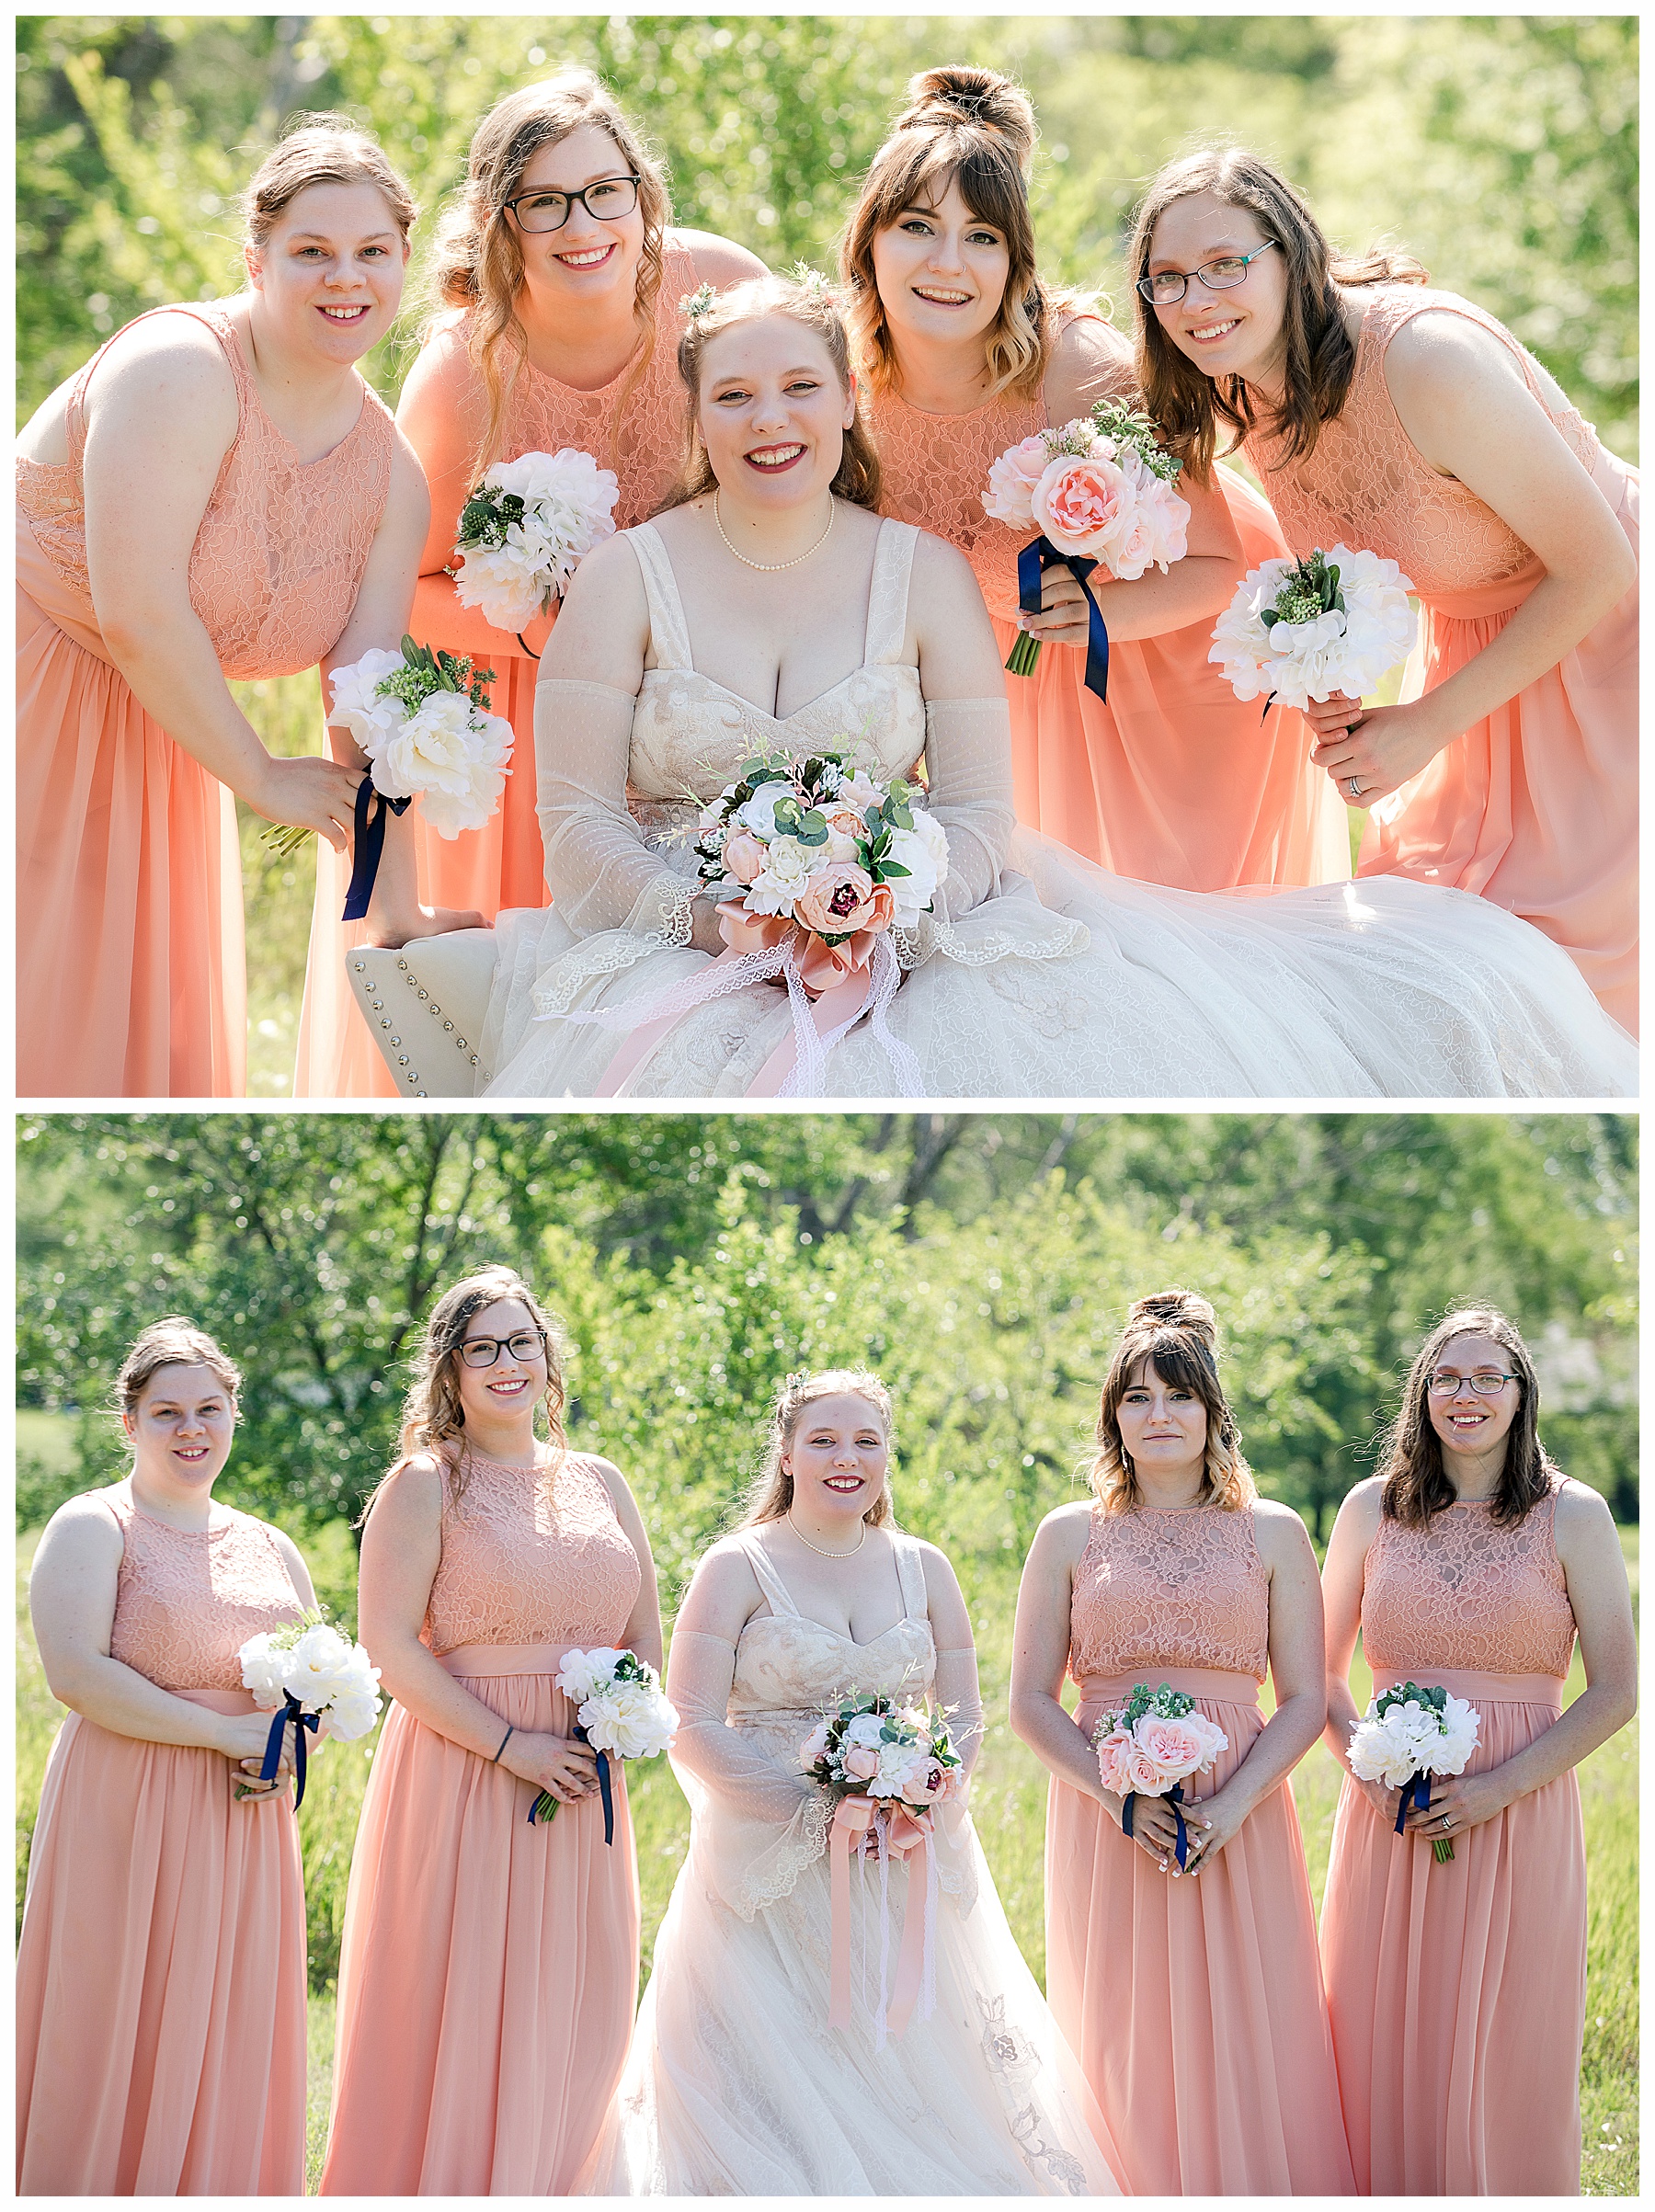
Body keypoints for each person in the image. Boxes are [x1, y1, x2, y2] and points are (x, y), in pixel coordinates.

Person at [436, 274, 1634, 1100]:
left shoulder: (922, 575)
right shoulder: (622, 581)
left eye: (801, 386)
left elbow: (976, 814)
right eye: (735, 395)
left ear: (849, 400)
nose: (771, 420)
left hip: (919, 922)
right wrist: (713, 919)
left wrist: (881, 898)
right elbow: (580, 824)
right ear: (691, 416)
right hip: (679, 935)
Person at [295, 67, 766, 1095]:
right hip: (534, 726)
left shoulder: (721, 292)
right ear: (501, 222)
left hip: (711, 715)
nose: (581, 223)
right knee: (544, 1023)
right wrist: (534, 626)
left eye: (605, 191)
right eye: (543, 201)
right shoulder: (468, 373)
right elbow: (392, 594)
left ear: (643, 194)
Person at [580, 1369, 1124, 2195]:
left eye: (867, 1441)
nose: (847, 1458)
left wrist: (915, 1793)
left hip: (901, 1852)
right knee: (778, 2076)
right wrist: (815, 1809)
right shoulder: (739, 1566)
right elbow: (688, 1719)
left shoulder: (924, 1567)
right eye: (825, 1440)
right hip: (764, 1864)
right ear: (788, 1454)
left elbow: (966, 1716)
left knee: (918, 2067)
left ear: (888, 1456)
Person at [1133, 146, 1638, 1030]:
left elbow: (1600, 568)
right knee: (1437, 954)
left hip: (1610, 644)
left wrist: (1427, 725)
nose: (1196, 300)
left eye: (1225, 265)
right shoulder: (1244, 389)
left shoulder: (1428, 361)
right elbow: (1349, 571)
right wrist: (1329, 693)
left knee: (1584, 980)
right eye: (1167, 279)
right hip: (1478, 672)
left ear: (1290, 254)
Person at [846, 67, 1348, 892]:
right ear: (869, 237)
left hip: (1169, 674)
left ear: (1016, 259)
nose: (948, 263)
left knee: (1171, 949)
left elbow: (1221, 565)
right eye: (917, 226)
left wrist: (1100, 609)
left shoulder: (1077, 371)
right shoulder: (836, 380)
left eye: (982, 237)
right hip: (1013, 691)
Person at [17, 115, 435, 1096]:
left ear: (403, 261)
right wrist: (258, 775)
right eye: (312, 253)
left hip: (173, 729)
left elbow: (364, 705)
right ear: (256, 262)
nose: (347, 278)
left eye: (373, 252)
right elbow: (137, 610)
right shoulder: (179, 370)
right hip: (36, 686)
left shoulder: (392, 477)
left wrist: (397, 906)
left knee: (143, 1046)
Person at [320, 1268, 662, 2195]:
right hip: (468, 1773)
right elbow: (389, 1647)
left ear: (549, 1358)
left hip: (586, 1778)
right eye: (484, 1348)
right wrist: (515, 1747)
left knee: (578, 2001)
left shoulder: (602, 1481)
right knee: (463, 1999)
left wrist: (624, 1718)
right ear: (451, 1371)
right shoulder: (427, 1484)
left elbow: (642, 1629)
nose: (507, 1363)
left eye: (523, 1343)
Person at [1010, 1291, 1355, 2195]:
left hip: (1235, 1813)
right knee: (1122, 2024)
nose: (1158, 1416)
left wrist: (1231, 1805)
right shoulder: (1067, 1536)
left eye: (1179, 1397)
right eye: (1136, 1398)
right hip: (1109, 1818)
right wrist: (1117, 1795)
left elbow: (1308, 1696)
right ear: (1113, 1417)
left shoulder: (1273, 1533)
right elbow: (1030, 1703)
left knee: (1246, 2018)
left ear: (1212, 1413)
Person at [1318, 1306, 1636, 2194]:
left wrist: (1499, 1788)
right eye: (1448, 1378)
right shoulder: (1368, 1510)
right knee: (1383, 2033)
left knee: (1507, 2036)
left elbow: (1616, 1689)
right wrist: (1365, 1773)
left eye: (1487, 1377)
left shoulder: (1573, 1514)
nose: (1467, 1395)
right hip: (1390, 1817)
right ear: (1422, 1395)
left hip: (1520, 1814)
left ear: (1520, 1394)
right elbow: (1319, 1679)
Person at [17, 1321, 316, 2194]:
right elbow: (74, 1674)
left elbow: (315, 1676)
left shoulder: (270, 1544)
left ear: (234, 1415)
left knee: (229, 2014)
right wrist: (224, 1734)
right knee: (118, 2009)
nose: (192, 1429)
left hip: (246, 1815)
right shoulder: (93, 1525)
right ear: (130, 1423)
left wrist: (295, 1740)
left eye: (209, 1409)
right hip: (129, 1803)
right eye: (167, 1412)